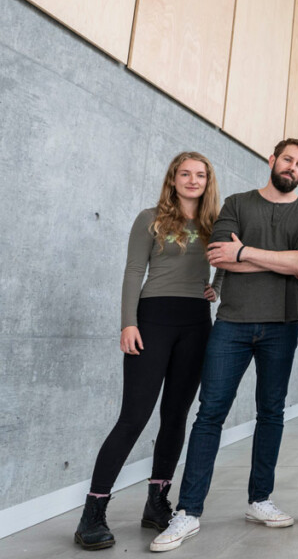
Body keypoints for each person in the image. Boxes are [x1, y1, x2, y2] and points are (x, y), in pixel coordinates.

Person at [150, 139, 298, 552]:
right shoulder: (238, 204)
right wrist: (271, 259)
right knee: (210, 414)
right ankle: (188, 511)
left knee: (271, 413)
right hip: (232, 322)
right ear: (272, 160)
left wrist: (245, 250)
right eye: (287, 159)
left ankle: (259, 500)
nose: (292, 168)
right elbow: (220, 257)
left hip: (281, 323)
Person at [74, 153, 220, 551]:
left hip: (196, 322)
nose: (193, 180)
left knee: (175, 416)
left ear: (208, 181)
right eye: (185, 174)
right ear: (173, 179)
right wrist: (128, 322)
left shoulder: (214, 223)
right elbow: (133, 270)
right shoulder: (150, 218)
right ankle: (93, 512)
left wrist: (216, 286)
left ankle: (157, 503)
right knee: (134, 416)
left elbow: (228, 259)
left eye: (200, 175)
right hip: (153, 319)